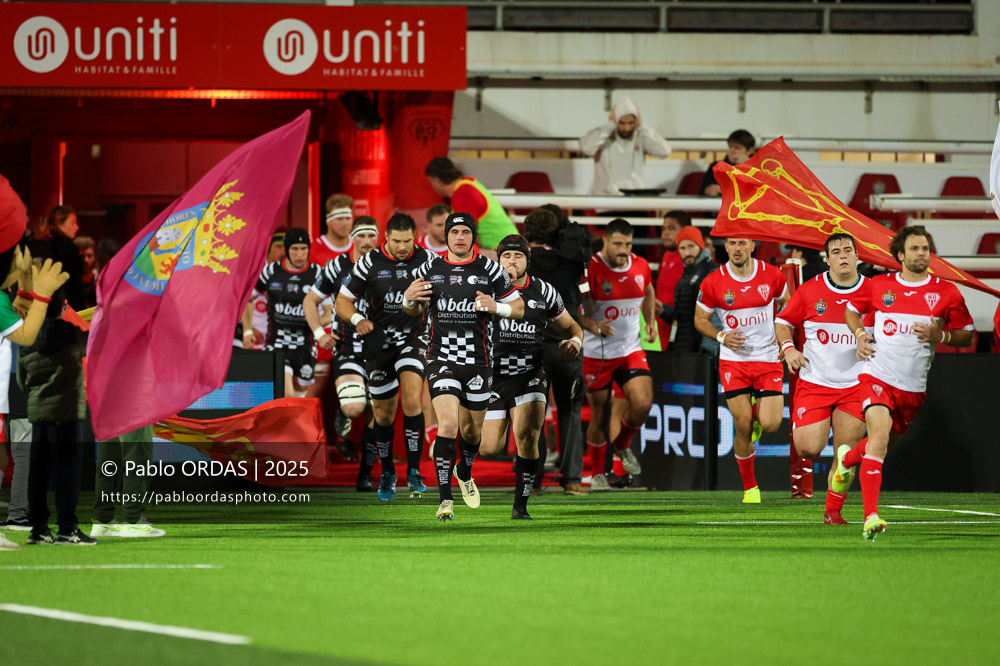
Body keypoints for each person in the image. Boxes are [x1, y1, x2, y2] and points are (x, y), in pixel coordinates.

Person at [839, 226, 974, 541]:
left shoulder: (947, 292)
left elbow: (967, 334)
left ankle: (847, 460)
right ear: (900, 255)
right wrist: (860, 335)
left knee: (880, 446)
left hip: (913, 388)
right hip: (877, 376)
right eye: (915, 248)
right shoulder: (879, 285)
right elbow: (851, 311)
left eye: (925, 248)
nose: (922, 254)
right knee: (879, 440)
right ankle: (871, 517)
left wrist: (941, 335)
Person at [403, 212, 524, 521]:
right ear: (447, 235)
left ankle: (464, 471)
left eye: (465, 232)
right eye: (454, 231)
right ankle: (445, 500)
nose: (460, 237)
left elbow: (519, 308)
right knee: (448, 425)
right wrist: (408, 299)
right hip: (441, 358)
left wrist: (497, 307)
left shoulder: (490, 269)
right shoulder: (429, 267)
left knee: (472, 433)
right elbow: (413, 307)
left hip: (479, 361)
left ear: (473, 237)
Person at [479, 235, 583, 519]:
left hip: (530, 374)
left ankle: (520, 507)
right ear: (498, 260)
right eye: (506, 256)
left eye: (518, 256)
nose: (512, 262)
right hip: (493, 377)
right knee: (488, 448)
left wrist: (575, 342)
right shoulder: (486, 288)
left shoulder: (544, 291)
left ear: (528, 260)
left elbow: (572, 326)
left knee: (527, 436)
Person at [334, 213, 436, 500]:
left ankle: (414, 471)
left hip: (413, 338)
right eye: (397, 241)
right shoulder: (368, 262)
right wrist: (358, 319)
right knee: (383, 413)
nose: (402, 247)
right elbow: (342, 301)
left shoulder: (428, 260)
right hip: (379, 343)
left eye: (407, 241)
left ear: (415, 237)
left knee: (412, 398)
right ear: (386, 238)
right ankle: (388, 472)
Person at [774, 234, 869, 525]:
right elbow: (782, 321)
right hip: (815, 382)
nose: (843, 256)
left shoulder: (873, 291)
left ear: (857, 256)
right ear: (827, 260)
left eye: (848, 250)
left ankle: (833, 511)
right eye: (836, 252)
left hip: (856, 385)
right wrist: (788, 348)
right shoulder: (810, 290)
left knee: (845, 455)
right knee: (807, 448)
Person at [694, 237, 790, 503]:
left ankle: (757, 413)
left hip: (768, 357)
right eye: (732, 243)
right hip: (734, 361)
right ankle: (750, 487)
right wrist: (722, 336)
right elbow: (700, 320)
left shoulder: (772, 275)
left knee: (771, 424)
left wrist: (785, 337)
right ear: (725, 247)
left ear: (751, 246)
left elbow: (788, 304)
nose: (737, 248)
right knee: (742, 423)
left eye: (742, 243)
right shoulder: (713, 281)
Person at [579, 218, 656, 491]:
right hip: (597, 353)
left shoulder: (641, 265)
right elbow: (573, 310)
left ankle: (621, 445)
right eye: (618, 244)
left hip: (630, 349)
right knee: (600, 415)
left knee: (643, 403)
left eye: (628, 244)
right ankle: (597, 474)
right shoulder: (590, 268)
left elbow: (648, 290)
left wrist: (649, 322)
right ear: (605, 241)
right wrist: (593, 326)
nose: (624, 250)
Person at [305, 217, 379, 490]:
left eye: (371, 236)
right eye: (362, 236)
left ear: (378, 238)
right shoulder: (337, 265)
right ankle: (343, 413)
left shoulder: (386, 265)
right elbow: (310, 300)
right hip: (347, 347)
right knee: (354, 407)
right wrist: (319, 333)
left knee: (377, 413)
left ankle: (365, 475)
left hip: (379, 349)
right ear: (352, 237)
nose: (367, 241)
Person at [523, 206, 591, 495]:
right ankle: (572, 478)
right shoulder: (572, 261)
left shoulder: (522, 262)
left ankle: (532, 480)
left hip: (533, 345)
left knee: (532, 412)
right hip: (568, 343)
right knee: (570, 410)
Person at [243, 228, 323, 398]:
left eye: (303, 249)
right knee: (284, 392)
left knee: (299, 394)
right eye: (294, 249)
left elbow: (332, 311)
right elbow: (247, 299)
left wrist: (314, 324)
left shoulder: (318, 274)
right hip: (277, 342)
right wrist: (247, 331)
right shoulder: (271, 271)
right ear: (287, 249)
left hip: (305, 345)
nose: (299, 254)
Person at [424, 157, 518, 258]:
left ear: (437, 181)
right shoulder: (467, 183)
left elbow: (464, 236)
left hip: (502, 251)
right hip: (505, 247)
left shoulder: (463, 193)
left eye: (431, 182)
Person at [579, 96, 671, 196]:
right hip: (607, 199)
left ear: (636, 121)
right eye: (622, 123)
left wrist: (642, 126)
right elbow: (586, 148)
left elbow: (665, 151)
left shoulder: (640, 137)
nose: (627, 128)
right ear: (615, 121)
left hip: (636, 198)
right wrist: (609, 126)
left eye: (631, 123)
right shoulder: (602, 137)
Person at [91, 429, 165, 538]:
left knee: (109, 460)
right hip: (133, 417)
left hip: (107, 418)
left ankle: (103, 522)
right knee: (137, 458)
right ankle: (134, 523)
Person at [662, 227, 719, 354]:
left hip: (700, 351)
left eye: (691, 246)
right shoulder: (686, 274)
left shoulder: (711, 272)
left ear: (700, 246)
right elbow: (683, 317)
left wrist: (708, 349)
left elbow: (716, 316)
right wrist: (663, 311)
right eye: (682, 248)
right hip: (683, 349)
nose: (687, 252)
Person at [655, 211, 692, 348]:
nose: (665, 233)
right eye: (663, 229)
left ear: (685, 231)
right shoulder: (666, 256)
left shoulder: (689, 261)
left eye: (671, 228)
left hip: (679, 335)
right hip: (659, 332)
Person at [699, 130, 756, 197]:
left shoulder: (757, 169)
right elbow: (700, 194)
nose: (731, 151)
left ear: (750, 151)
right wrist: (708, 190)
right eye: (730, 146)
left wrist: (746, 167)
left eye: (737, 148)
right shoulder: (716, 167)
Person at [311, 193, 354, 267]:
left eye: (348, 218)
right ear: (328, 221)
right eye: (339, 219)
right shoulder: (314, 250)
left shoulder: (359, 245)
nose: (345, 223)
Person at [74, 235, 98, 308]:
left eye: (89, 256)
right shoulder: (69, 286)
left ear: (95, 257)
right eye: (82, 256)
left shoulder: (99, 282)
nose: (86, 260)